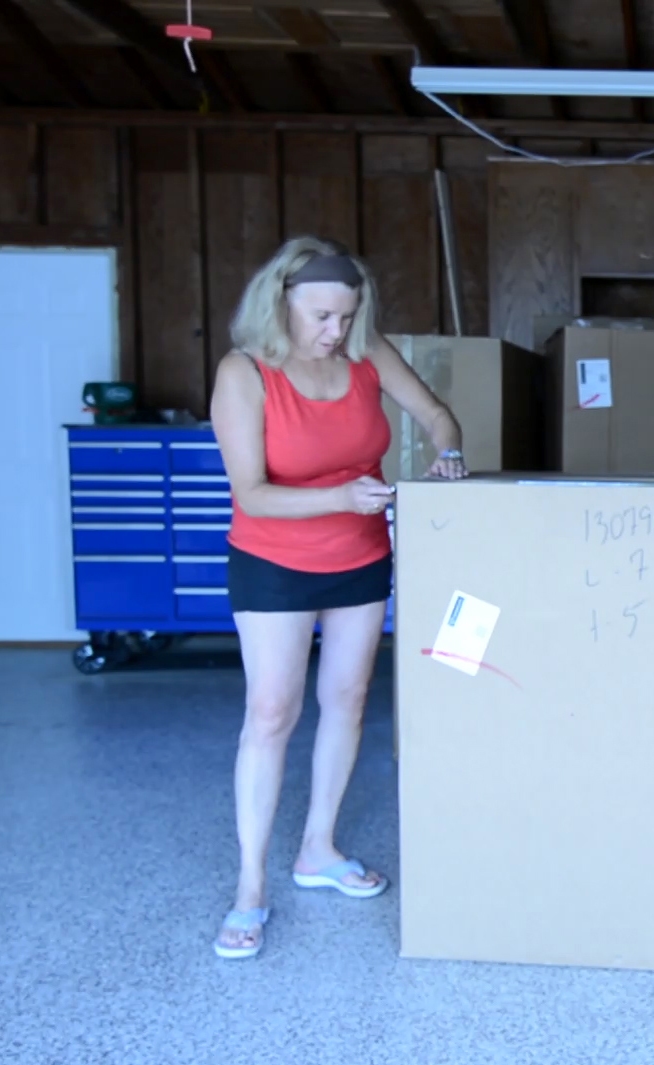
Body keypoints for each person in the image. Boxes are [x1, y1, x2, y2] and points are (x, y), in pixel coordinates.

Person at [209, 236, 468, 959]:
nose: (336, 331)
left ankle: (317, 848)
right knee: (271, 712)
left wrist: (447, 451)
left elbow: (438, 412)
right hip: (273, 561)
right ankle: (250, 886)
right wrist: (340, 496)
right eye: (322, 316)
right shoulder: (244, 373)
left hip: (359, 557)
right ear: (281, 304)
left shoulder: (365, 352)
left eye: (347, 316)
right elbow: (252, 496)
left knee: (348, 698)